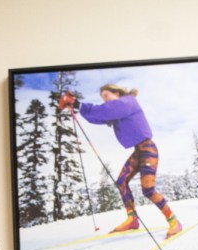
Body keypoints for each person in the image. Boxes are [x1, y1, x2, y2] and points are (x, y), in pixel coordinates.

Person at [59, 85, 183, 238]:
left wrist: (78, 104)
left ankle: (174, 221)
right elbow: (98, 117)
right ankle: (132, 219)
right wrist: (77, 108)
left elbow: (106, 110)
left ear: (117, 93)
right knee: (121, 182)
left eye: (106, 95)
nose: (104, 100)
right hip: (138, 152)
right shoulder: (116, 109)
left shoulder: (127, 102)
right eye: (102, 98)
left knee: (148, 189)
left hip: (148, 149)